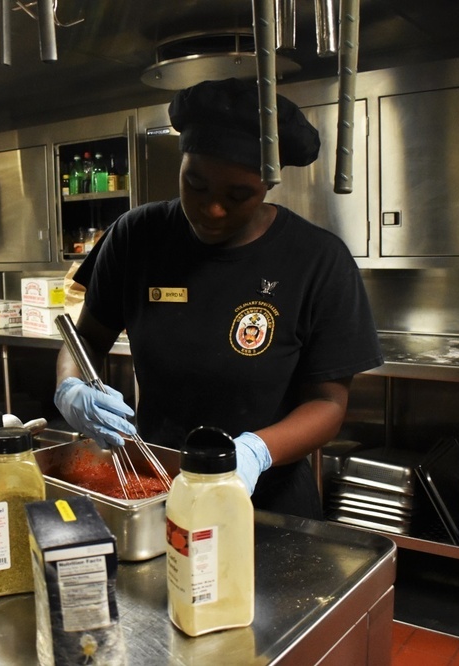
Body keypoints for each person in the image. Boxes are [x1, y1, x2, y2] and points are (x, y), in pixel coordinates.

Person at [54, 78, 383, 519]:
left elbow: (327, 404)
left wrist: (255, 452)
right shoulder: (136, 236)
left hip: (267, 500)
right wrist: (69, 388)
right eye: (196, 185)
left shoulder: (318, 259)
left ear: (267, 185)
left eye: (237, 195)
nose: (212, 210)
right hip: (158, 485)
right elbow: (84, 340)